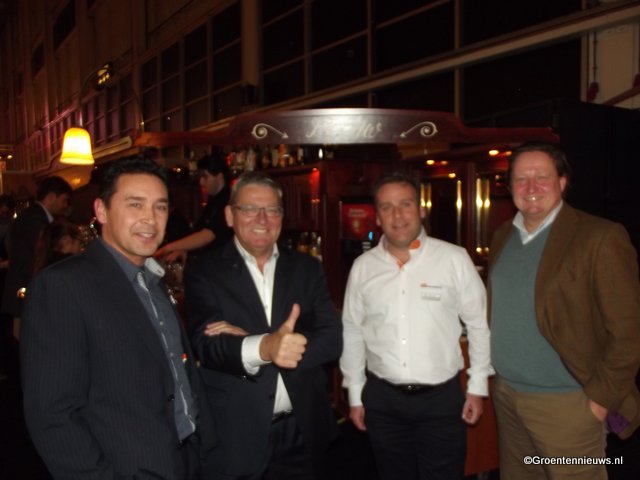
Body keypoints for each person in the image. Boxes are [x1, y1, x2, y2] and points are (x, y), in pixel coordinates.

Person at [21, 156, 215, 480]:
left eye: (160, 207)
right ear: (101, 211)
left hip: (185, 459)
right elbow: (52, 414)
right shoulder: (63, 286)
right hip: (127, 468)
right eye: (135, 204)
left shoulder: (152, 280)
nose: (150, 219)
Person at [488, 141, 640, 479]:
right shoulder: (502, 235)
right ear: (510, 186)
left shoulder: (599, 236)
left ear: (562, 181)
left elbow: (629, 332)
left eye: (541, 177)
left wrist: (599, 402)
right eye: (520, 179)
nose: (531, 187)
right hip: (508, 397)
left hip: (567, 404)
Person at [185, 171, 342, 480]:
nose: (262, 218)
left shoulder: (307, 268)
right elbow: (206, 345)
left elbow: (332, 339)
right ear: (229, 215)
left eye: (272, 210)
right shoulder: (204, 271)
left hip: (302, 430)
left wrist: (265, 347)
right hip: (235, 434)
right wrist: (265, 347)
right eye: (250, 209)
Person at [340, 172, 492, 480]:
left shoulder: (454, 259)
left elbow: (478, 325)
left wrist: (477, 387)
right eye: (387, 207)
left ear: (421, 209)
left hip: (441, 402)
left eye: (405, 204)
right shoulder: (363, 268)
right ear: (377, 217)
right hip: (383, 402)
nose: (397, 215)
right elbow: (352, 331)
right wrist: (355, 395)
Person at [1, 175, 72, 320]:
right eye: (64, 200)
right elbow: (45, 252)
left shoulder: (34, 216)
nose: (66, 206)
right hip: (25, 291)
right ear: (51, 197)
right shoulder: (34, 219)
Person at [155, 153, 233, 264]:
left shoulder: (227, 201)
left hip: (222, 266)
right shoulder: (214, 200)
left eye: (205, 177)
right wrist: (185, 249)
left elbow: (207, 236)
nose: (201, 182)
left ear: (219, 177)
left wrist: (167, 248)